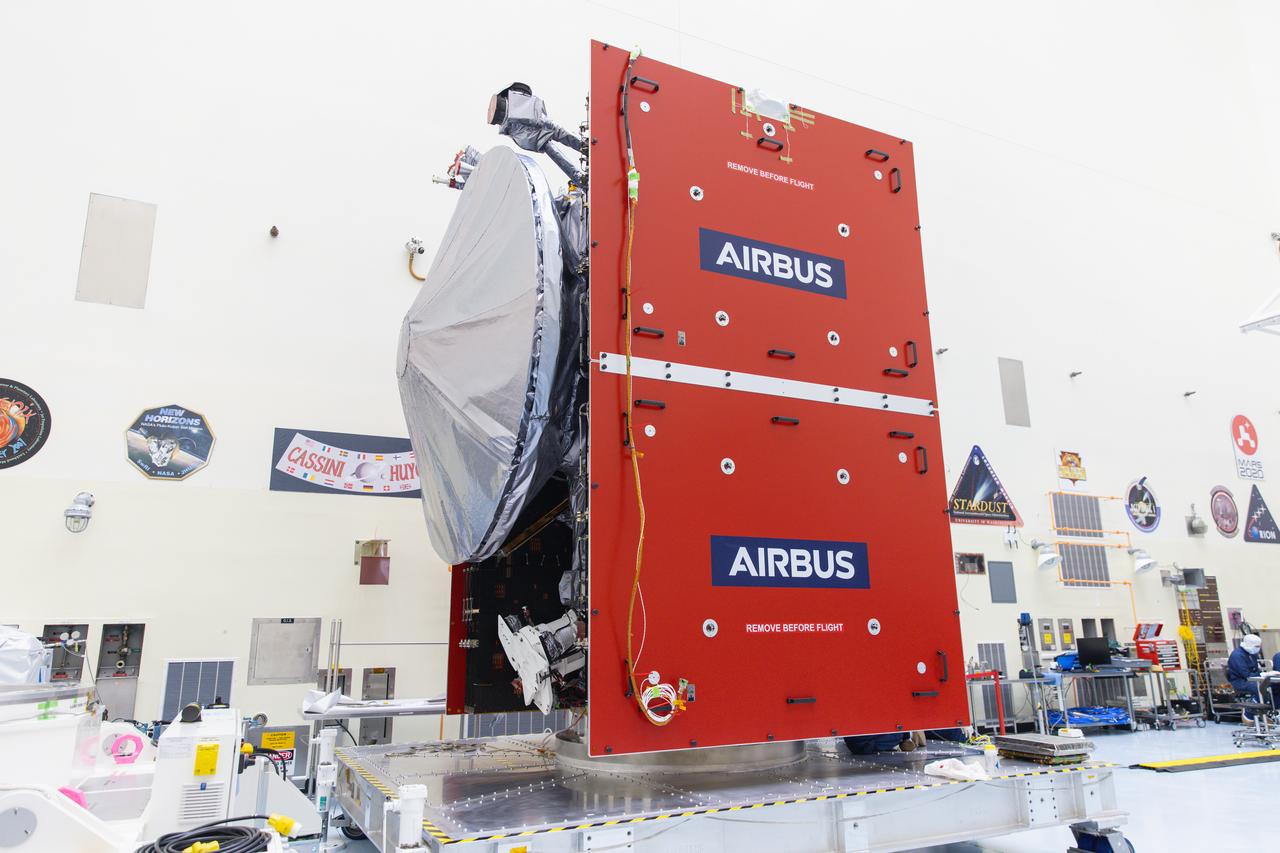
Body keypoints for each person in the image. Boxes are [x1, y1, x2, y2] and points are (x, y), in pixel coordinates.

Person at [1227, 635, 1277, 717]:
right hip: (1240, 682)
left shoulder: (1251, 653)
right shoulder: (1237, 655)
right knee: (1260, 688)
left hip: (1252, 679)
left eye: (1259, 646)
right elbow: (1246, 674)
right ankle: (1249, 714)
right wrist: (1263, 674)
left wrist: (1265, 674)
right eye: (1256, 646)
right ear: (1248, 644)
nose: (1258, 649)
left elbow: (1255, 670)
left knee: (1274, 685)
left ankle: (1271, 710)